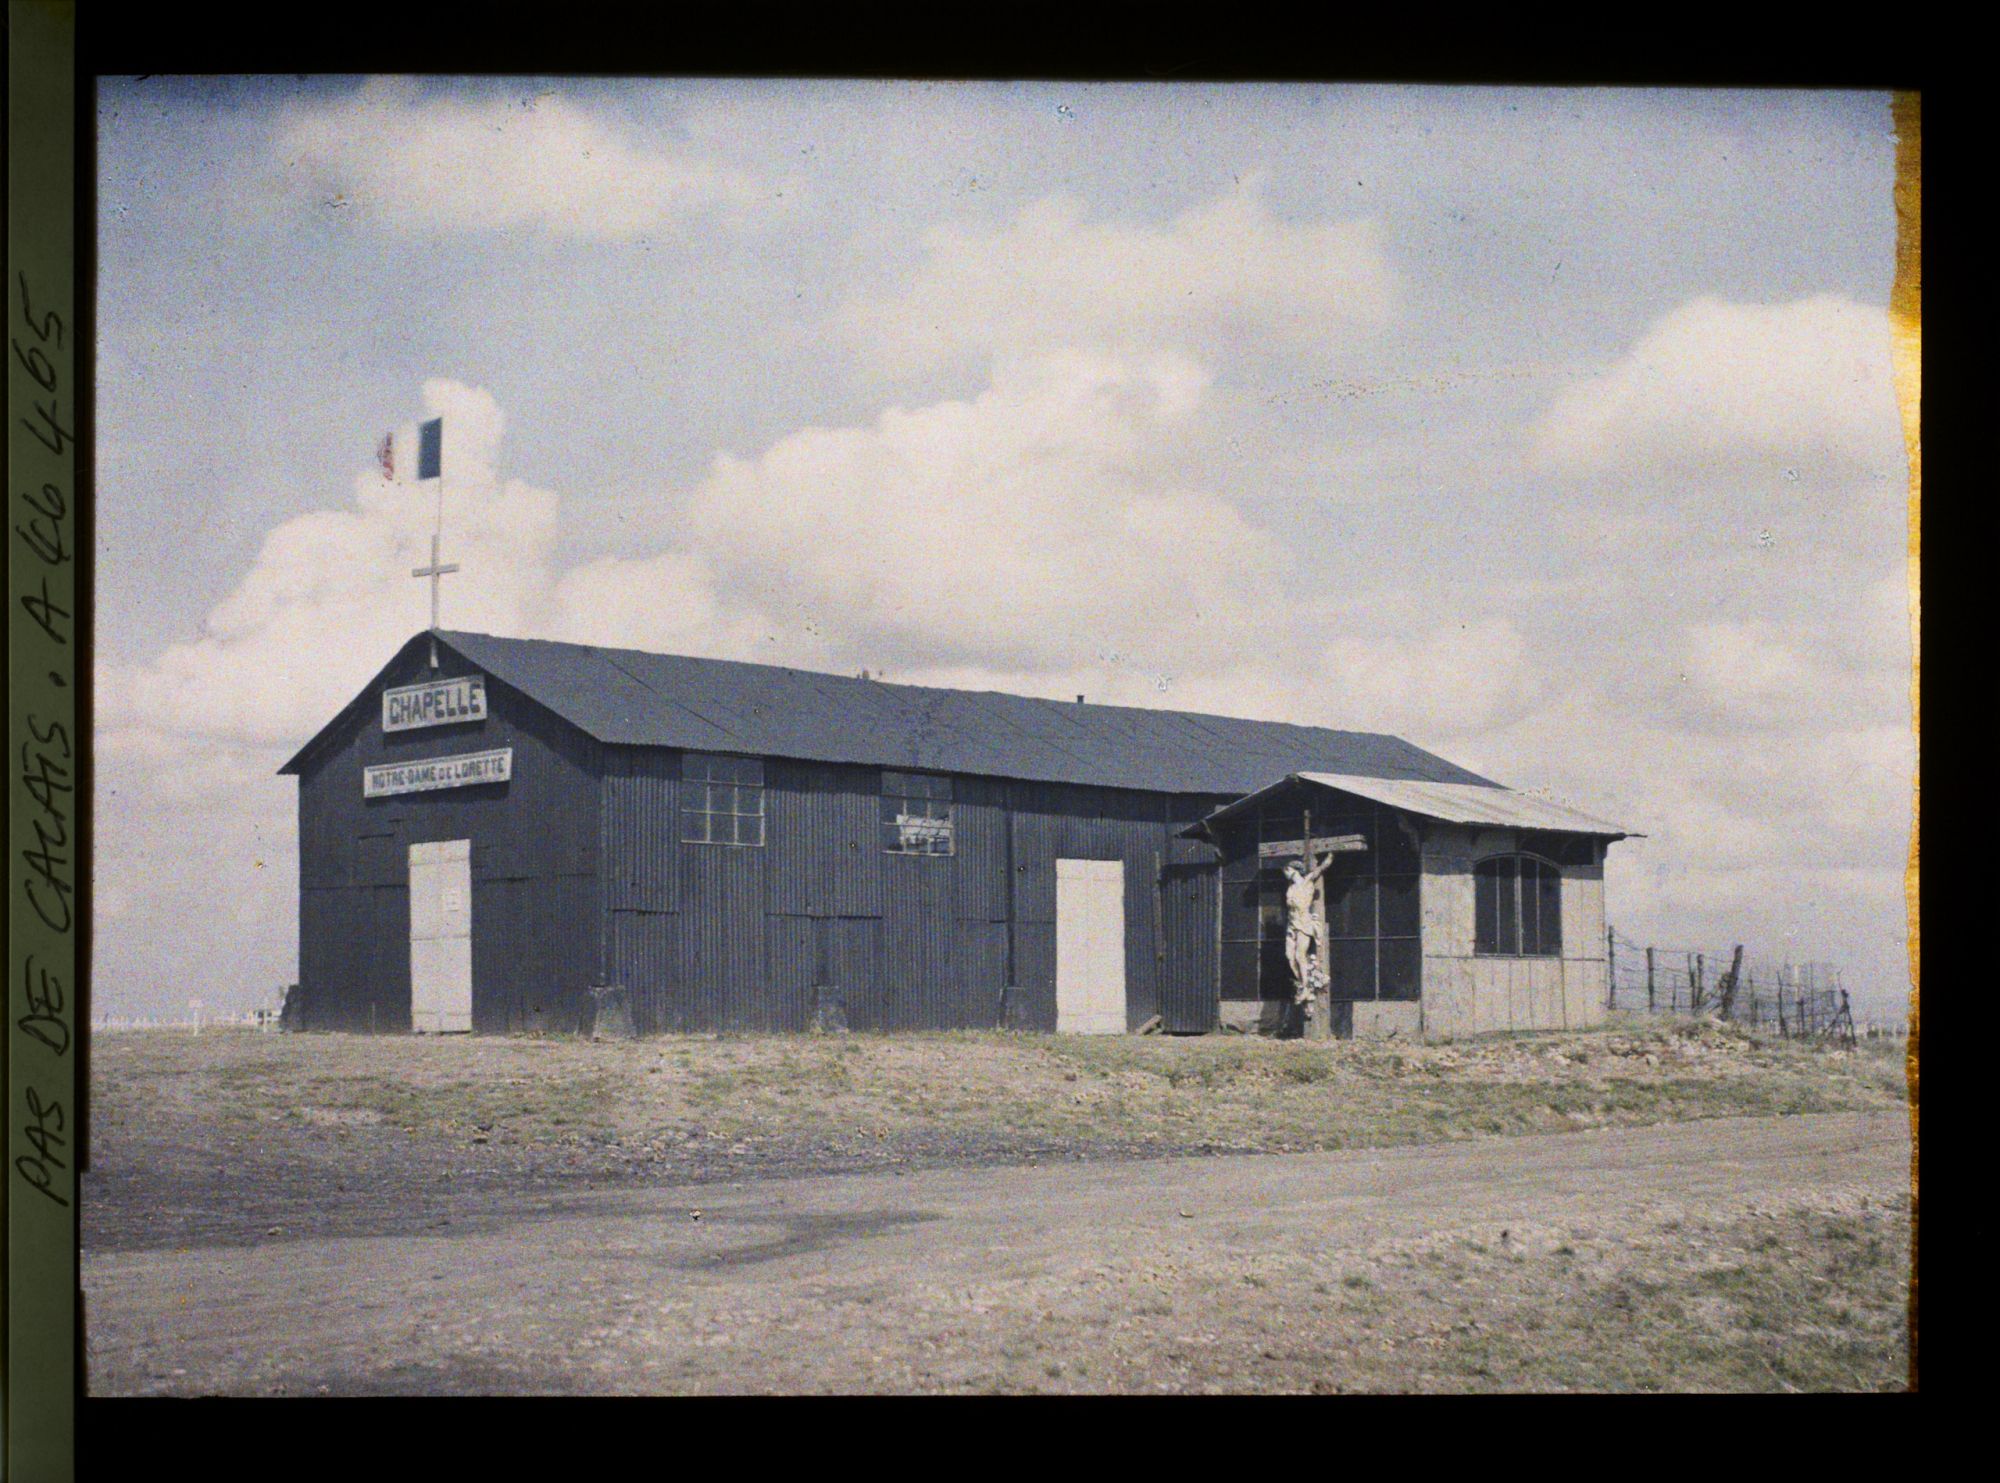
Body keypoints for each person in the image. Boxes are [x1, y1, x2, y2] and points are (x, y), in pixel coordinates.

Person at [1283, 848, 1335, 1007]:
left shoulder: (1307, 881)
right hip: (1292, 923)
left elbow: (1321, 868)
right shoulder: (1291, 888)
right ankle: (1302, 982)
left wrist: (1329, 857)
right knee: (1289, 956)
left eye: (1287, 870)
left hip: (1304, 922)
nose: (1286, 874)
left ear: (1294, 870)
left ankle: (1305, 987)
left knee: (1300, 955)